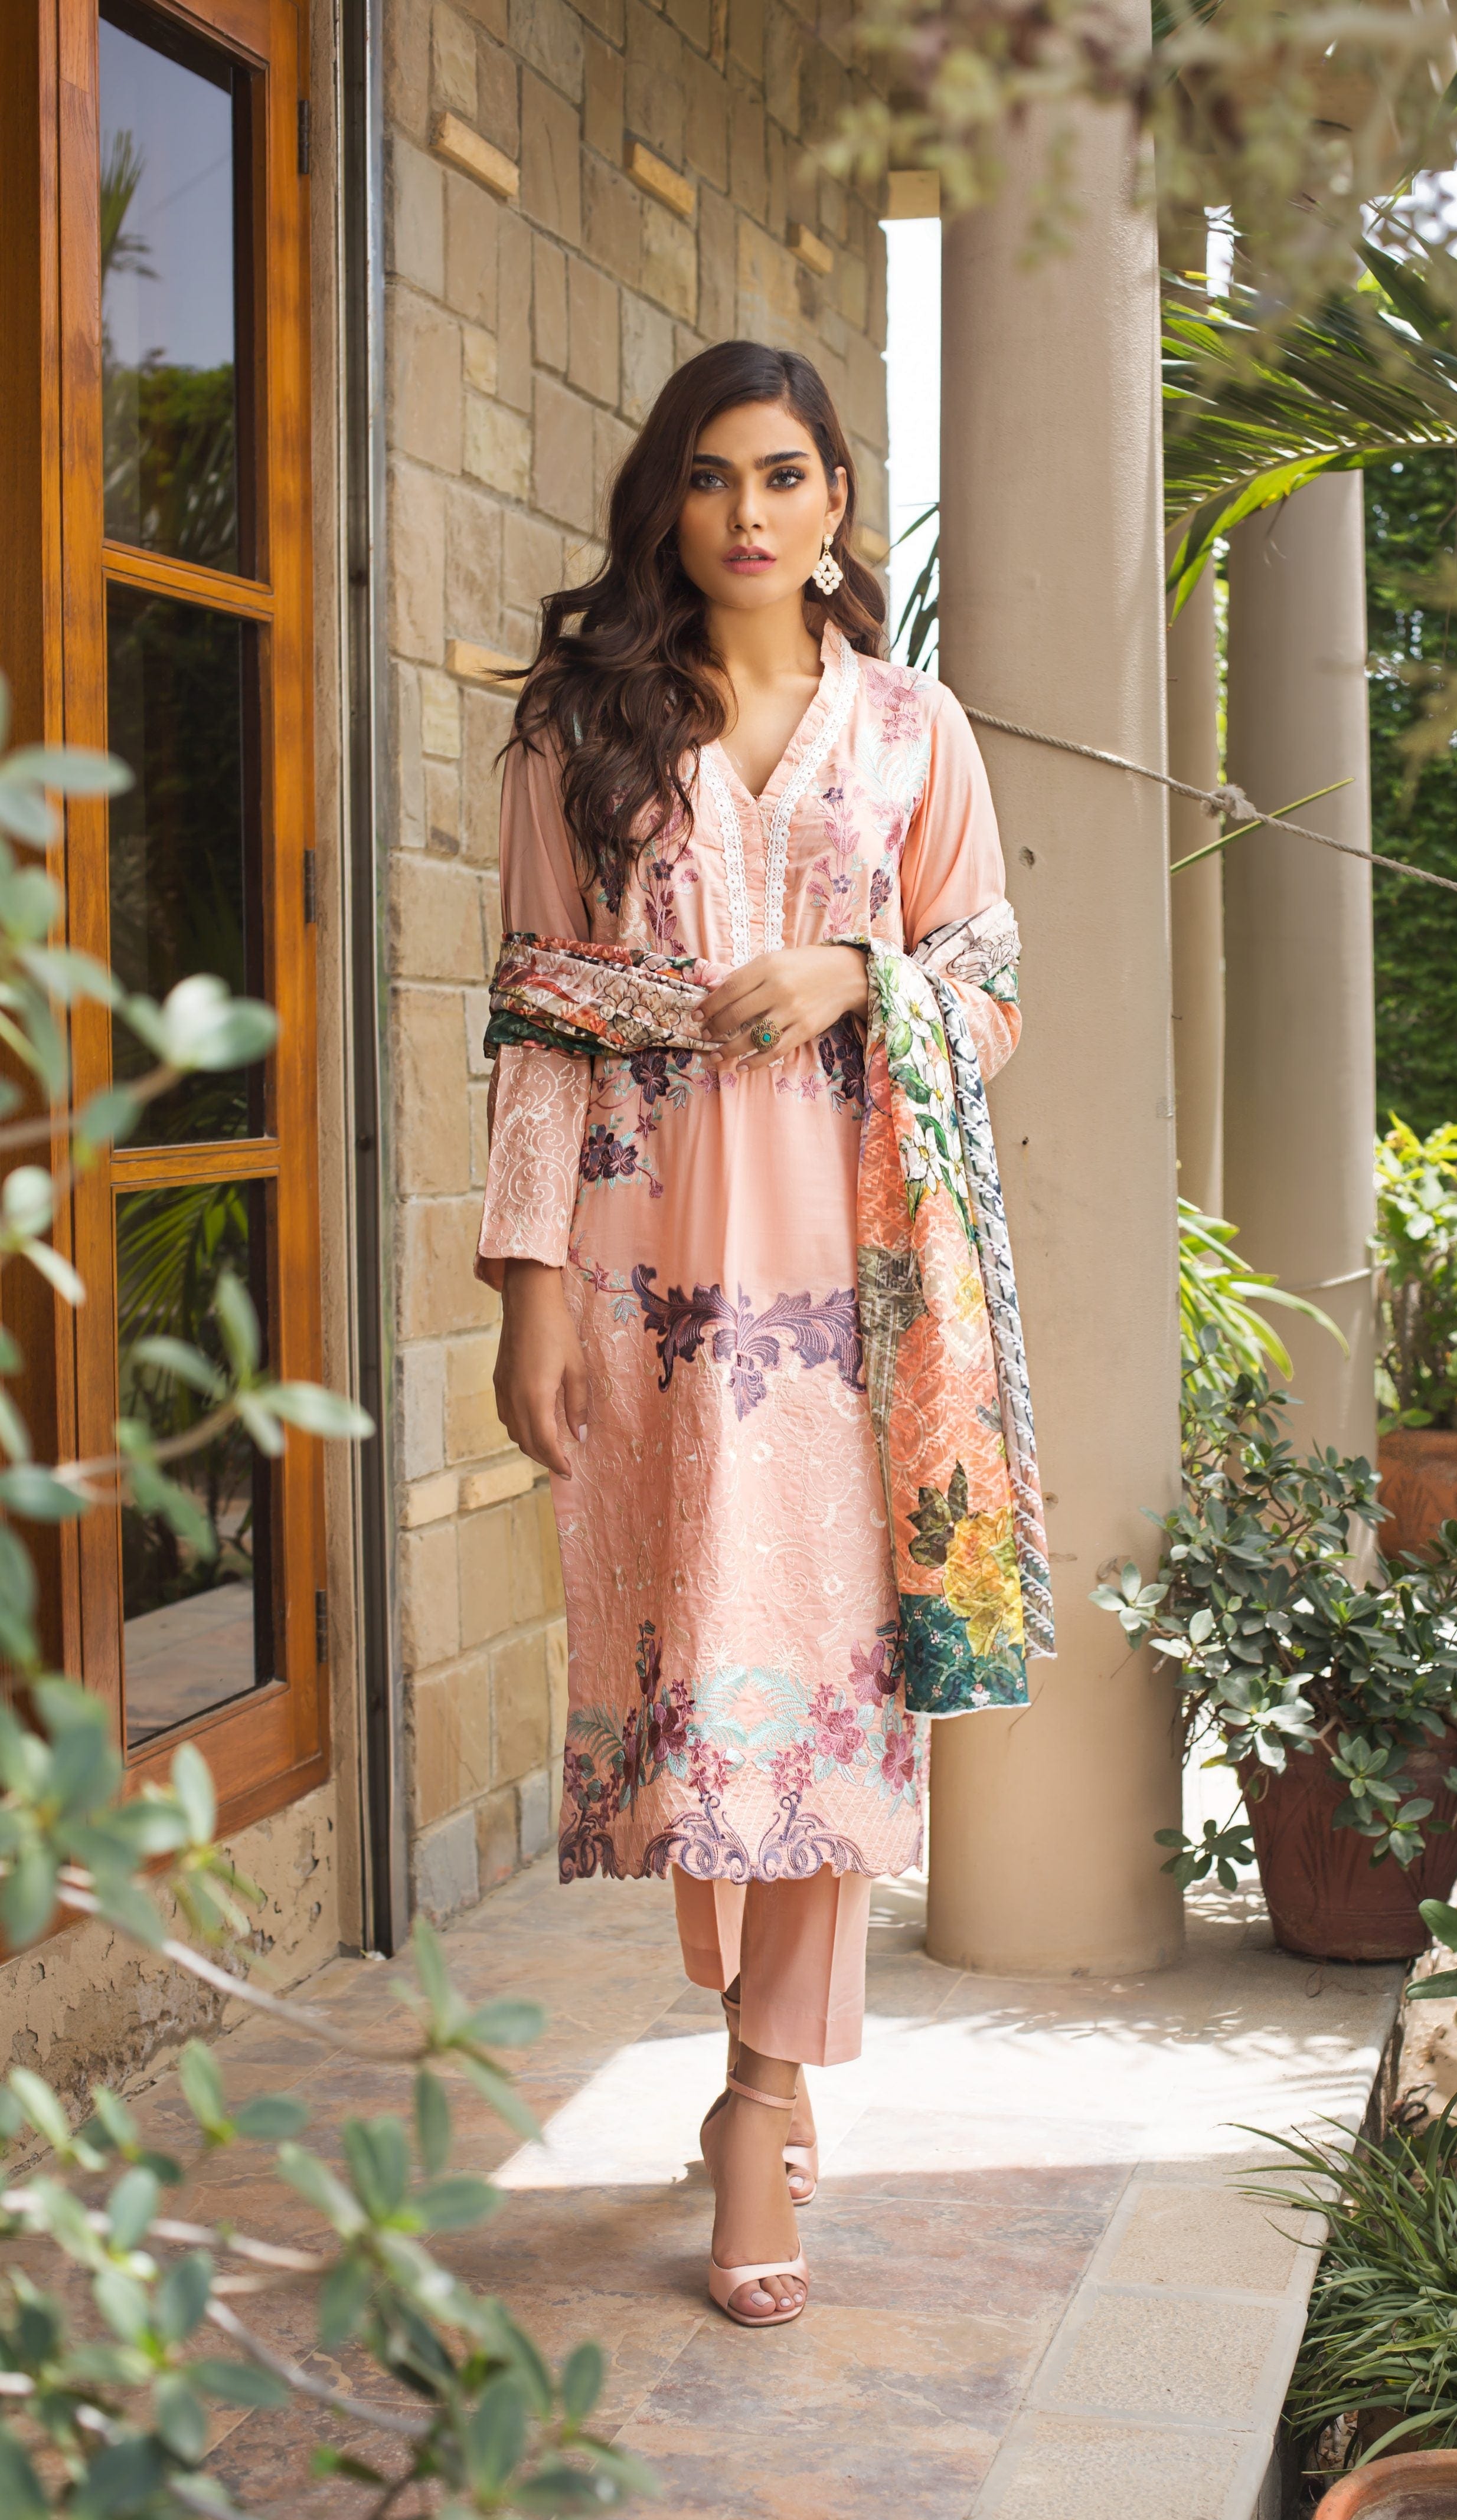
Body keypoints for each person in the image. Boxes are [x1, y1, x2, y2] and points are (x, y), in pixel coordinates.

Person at [476, 339, 1048, 2331]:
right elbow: (537, 1013)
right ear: (670, 499)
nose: (747, 512)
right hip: (643, 1258)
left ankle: (761, 2094)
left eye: (784, 474)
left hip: (855, 1277)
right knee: (698, 1674)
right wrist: (529, 1287)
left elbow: (986, 989)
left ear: (834, 503)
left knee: (831, 1674)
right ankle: (753, 2036)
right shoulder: (582, 725)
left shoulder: (912, 728)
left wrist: (851, 971)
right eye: (712, 475)